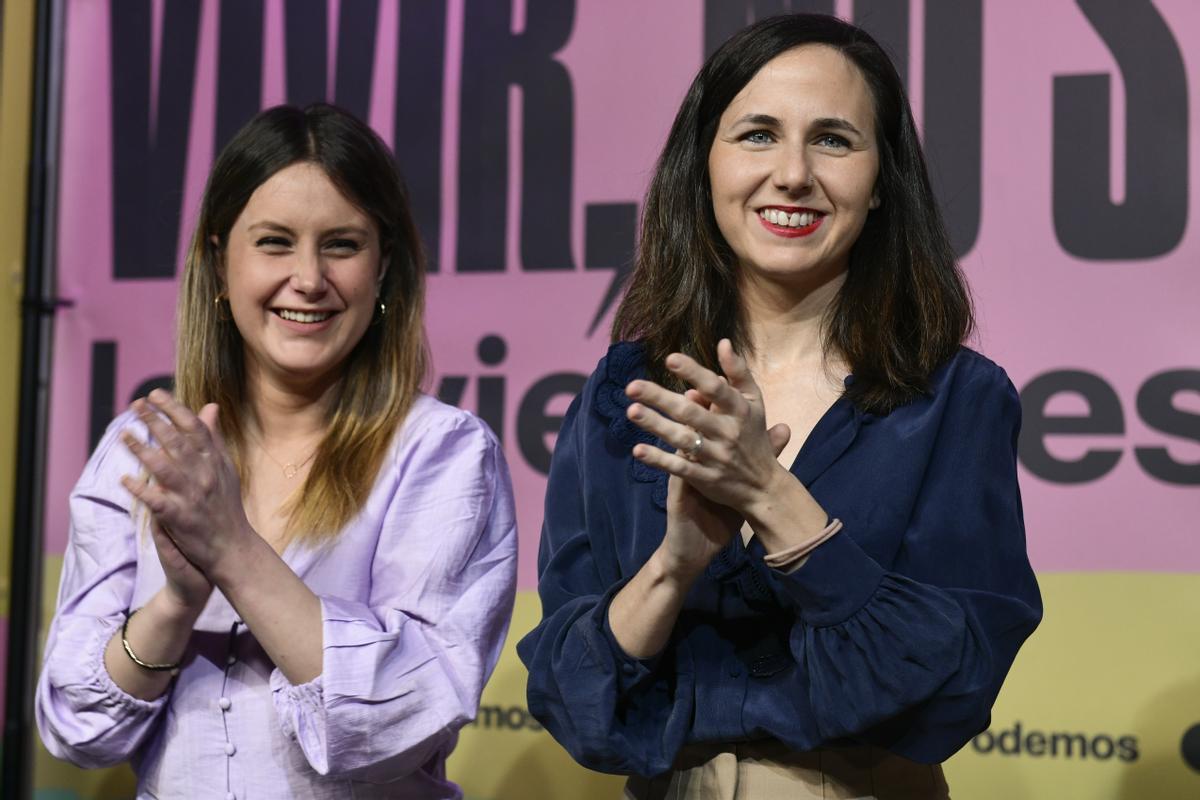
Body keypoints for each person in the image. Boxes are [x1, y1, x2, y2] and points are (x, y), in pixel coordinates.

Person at [518, 14, 1041, 799]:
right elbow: (572, 699)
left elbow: (954, 692)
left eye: (833, 139)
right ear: (704, 169)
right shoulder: (623, 392)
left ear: (880, 186)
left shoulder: (956, 401)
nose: (793, 174)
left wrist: (773, 498)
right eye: (757, 134)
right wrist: (673, 566)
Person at [36, 104, 518, 798]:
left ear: (383, 270)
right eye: (274, 242)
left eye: (342, 245)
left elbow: (405, 718)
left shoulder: (444, 454)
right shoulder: (142, 450)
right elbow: (78, 728)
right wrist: (175, 601)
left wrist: (232, 549)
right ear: (219, 264)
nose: (309, 278)